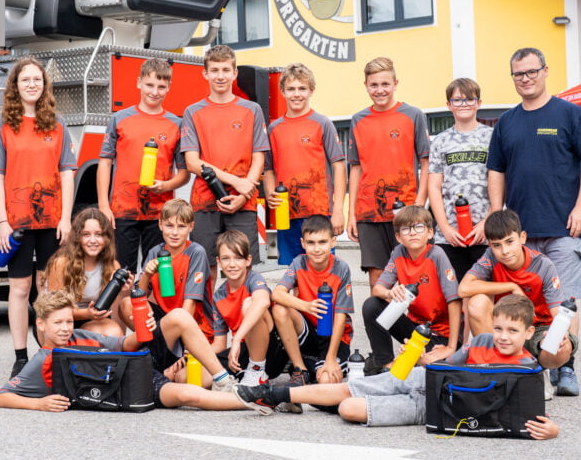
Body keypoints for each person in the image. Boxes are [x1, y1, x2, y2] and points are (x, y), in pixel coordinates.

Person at [234, 294, 560, 438]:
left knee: (349, 408)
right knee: (350, 387)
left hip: (431, 407)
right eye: (499, 328)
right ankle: (273, 393)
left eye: (512, 331)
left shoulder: (527, 366)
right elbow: (447, 364)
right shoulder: (481, 342)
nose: (502, 337)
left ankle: (321, 401)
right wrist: (420, 357)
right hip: (422, 377)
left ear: (529, 333)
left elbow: (535, 412)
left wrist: (553, 430)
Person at [487, 47, 581, 396]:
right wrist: (497, 217)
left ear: (545, 71)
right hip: (519, 236)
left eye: (531, 72)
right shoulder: (506, 122)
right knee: (518, 304)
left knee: (564, 304)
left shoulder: (570, 114)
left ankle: (565, 368)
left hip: (563, 229)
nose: (525, 79)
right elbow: (495, 171)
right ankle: (523, 366)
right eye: (518, 74)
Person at [0, 290, 260, 412]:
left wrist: (143, 331)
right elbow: (2, 396)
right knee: (187, 395)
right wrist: (38, 404)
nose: (65, 328)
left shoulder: (81, 335)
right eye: (58, 323)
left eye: (69, 321)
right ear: (41, 325)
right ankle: (256, 398)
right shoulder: (42, 360)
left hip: (138, 359)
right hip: (132, 386)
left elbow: (124, 345)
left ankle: (223, 380)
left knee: (178, 316)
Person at [0, 57, 77, 379]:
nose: (31, 85)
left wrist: (66, 218)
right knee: (20, 288)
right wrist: (2, 222)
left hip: (52, 221)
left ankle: (47, 352)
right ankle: (20, 356)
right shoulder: (3, 126)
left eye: (37, 80)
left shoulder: (58, 124)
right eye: (25, 80)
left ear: (44, 85)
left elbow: (67, 173)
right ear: (15, 85)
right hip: (18, 224)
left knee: (47, 288)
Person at [458, 209, 576, 398]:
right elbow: (463, 289)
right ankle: (499, 370)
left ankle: (539, 370)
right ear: (490, 245)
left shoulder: (543, 265)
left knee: (565, 334)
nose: (504, 251)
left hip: (537, 329)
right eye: (496, 245)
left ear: (522, 237)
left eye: (509, 242)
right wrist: (511, 286)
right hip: (507, 329)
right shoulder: (490, 257)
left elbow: (557, 312)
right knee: (477, 302)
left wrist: (559, 339)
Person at [97, 58, 189, 274]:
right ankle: (121, 310)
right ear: (139, 83)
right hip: (122, 211)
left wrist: (166, 186)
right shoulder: (120, 118)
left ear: (169, 88)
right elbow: (104, 162)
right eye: (149, 85)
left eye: (161, 87)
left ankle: (153, 310)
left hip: (161, 214)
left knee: (157, 274)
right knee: (120, 274)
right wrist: (103, 205)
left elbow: (184, 174)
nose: (154, 92)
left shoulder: (176, 124)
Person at [181, 44, 269, 268]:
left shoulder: (252, 110)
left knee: (243, 267)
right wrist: (237, 182)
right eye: (215, 70)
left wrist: (245, 191)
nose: (220, 76)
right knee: (205, 268)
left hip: (244, 203)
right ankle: (209, 306)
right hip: (204, 202)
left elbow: (259, 156)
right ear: (205, 73)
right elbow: (192, 162)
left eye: (226, 70)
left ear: (235, 73)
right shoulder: (193, 112)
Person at [347, 57, 430, 286]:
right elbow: (355, 168)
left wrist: (419, 203)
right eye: (374, 85)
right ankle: (381, 324)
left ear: (395, 83)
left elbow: (426, 163)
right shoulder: (358, 120)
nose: (380, 90)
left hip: (406, 211)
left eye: (385, 84)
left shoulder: (413, 115)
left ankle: (412, 324)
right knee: (378, 279)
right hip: (368, 213)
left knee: (412, 276)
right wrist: (352, 214)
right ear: (366, 85)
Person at [263, 63, 346, 266]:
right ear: (282, 91)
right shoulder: (274, 128)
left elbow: (339, 167)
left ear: (311, 90)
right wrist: (269, 193)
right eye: (291, 89)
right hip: (286, 213)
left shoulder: (322, 123)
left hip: (319, 212)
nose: (296, 94)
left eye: (302, 88)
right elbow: (268, 169)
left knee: (322, 269)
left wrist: (338, 211)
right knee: (292, 272)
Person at [361, 205, 461, 375]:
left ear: (430, 233)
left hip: (439, 335)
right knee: (372, 305)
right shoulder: (399, 253)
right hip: (415, 328)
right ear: (398, 237)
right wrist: (389, 293)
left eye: (419, 227)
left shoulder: (437, 255)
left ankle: (409, 361)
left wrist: (451, 347)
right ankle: (384, 362)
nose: (413, 233)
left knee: (414, 370)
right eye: (406, 229)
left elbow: (454, 300)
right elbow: (378, 288)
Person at [269, 215, 354, 391]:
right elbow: (277, 294)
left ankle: (318, 362)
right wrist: (306, 306)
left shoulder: (341, 268)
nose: (316, 249)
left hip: (332, 337)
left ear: (333, 242)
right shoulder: (298, 262)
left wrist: (331, 359)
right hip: (308, 331)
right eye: (311, 242)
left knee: (326, 381)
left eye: (322, 242)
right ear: (303, 243)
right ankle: (300, 369)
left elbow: (340, 316)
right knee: (279, 309)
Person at [427, 78, 492, 281]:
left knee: (482, 292)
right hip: (450, 236)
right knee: (453, 294)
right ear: (449, 105)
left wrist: (486, 223)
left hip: (484, 234)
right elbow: (434, 186)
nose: (463, 105)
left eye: (469, 99)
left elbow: (501, 184)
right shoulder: (441, 140)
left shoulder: (493, 137)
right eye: (457, 100)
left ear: (479, 103)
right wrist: (445, 228)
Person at [129, 199, 215, 341]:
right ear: (160, 225)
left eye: (181, 226)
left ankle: (170, 347)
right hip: (166, 318)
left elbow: (191, 302)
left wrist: (181, 335)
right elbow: (140, 295)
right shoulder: (154, 252)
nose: (175, 232)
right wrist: (147, 275)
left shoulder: (196, 252)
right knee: (127, 304)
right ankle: (153, 347)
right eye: (169, 226)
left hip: (194, 323)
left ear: (191, 227)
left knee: (180, 317)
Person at [41, 208, 126, 338]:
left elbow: (115, 315)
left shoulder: (113, 265)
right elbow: (55, 310)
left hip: (93, 319)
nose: (93, 240)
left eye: (99, 234)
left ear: (107, 238)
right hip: (59, 320)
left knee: (113, 333)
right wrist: (87, 313)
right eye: (86, 234)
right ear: (77, 237)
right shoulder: (61, 264)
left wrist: (122, 291)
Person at [209, 231, 273, 386]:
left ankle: (257, 370)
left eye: (238, 258)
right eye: (226, 258)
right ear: (218, 261)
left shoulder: (253, 279)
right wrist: (193, 355)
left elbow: (263, 301)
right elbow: (219, 344)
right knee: (194, 376)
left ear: (248, 260)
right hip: (241, 352)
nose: (232, 264)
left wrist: (236, 339)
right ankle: (244, 380)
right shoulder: (218, 297)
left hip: (269, 349)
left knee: (249, 304)